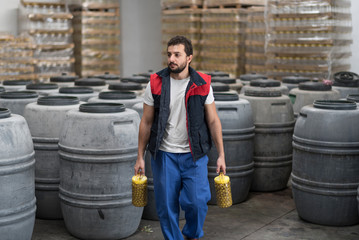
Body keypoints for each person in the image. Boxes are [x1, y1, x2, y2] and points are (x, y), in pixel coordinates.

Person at [134, 35, 226, 240]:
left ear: (189, 58)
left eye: (177, 54)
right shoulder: (155, 83)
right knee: (166, 207)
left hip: (194, 156)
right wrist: (140, 156)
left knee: (197, 202)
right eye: (169, 54)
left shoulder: (202, 84)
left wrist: (221, 154)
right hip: (165, 155)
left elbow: (213, 121)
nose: (171, 59)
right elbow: (146, 122)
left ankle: (192, 234)